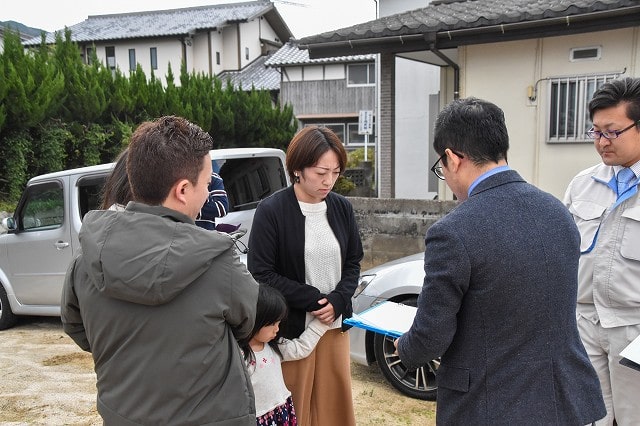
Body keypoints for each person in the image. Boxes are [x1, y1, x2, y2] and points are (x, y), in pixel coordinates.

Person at [394, 97, 606, 425]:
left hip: (490, 405)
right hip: (564, 400)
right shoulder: (558, 212)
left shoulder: (452, 232)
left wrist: (404, 347)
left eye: (441, 167)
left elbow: (430, 338)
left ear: (452, 157)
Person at [61, 115, 259, 425]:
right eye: (207, 184)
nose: (208, 194)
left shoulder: (86, 258)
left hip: (123, 415)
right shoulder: (218, 262)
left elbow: (77, 327)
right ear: (183, 189)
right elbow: (248, 323)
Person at [247, 126, 363, 426]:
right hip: (291, 328)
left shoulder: (341, 208)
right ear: (297, 168)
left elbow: (353, 262)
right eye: (321, 172)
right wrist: (312, 299)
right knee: (294, 406)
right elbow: (260, 272)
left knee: (333, 408)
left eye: (336, 172)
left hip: (333, 327)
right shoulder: (271, 211)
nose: (329, 181)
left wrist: (338, 300)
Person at [564, 77, 640, 426]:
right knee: (587, 417)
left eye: (611, 132)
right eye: (595, 132)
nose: (601, 142)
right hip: (585, 325)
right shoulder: (583, 183)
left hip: (633, 330)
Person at [239, 284, 329, 426]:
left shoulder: (274, 347)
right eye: (272, 324)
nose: (277, 329)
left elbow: (301, 348)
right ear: (254, 319)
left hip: (280, 412)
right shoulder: (239, 354)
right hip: (256, 417)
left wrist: (322, 323)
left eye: (279, 323)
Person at [196, 160, 230, 230]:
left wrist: (189, 210)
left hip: (205, 234)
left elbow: (222, 208)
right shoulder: (173, 177)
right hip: (177, 235)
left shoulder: (213, 178)